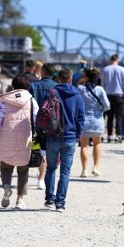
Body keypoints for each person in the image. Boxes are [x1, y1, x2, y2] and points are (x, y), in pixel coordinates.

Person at [0, 75, 38, 210]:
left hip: (6, 138)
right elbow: (36, 120)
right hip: (26, 139)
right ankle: (20, 200)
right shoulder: (31, 101)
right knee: (23, 170)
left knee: (5, 166)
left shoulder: (3, 101)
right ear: (27, 86)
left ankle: (6, 187)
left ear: (13, 86)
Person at [43, 68, 85, 212]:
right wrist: (77, 135)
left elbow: (43, 114)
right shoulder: (77, 95)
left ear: (58, 79)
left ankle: (49, 199)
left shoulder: (51, 92)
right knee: (65, 172)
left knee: (51, 168)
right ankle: (60, 203)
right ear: (71, 79)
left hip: (52, 135)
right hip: (69, 137)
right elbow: (81, 118)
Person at [77, 67, 110, 177]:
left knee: (84, 145)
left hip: (84, 120)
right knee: (97, 143)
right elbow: (107, 105)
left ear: (86, 77)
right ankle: (96, 167)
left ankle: (84, 170)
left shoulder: (80, 89)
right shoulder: (100, 89)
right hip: (97, 120)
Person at [30, 63, 57, 190]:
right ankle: (43, 177)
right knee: (50, 151)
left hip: (37, 123)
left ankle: (41, 177)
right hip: (53, 123)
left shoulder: (33, 86)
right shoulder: (57, 87)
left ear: (43, 72)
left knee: (40, 150)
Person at [101, 54, 124, 143]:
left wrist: (103, 96)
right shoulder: (122, 69)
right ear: (118, 60)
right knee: (119, 117)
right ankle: (118, 136)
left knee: (110, 117)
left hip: (108, 95)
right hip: (119, 96)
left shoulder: (105, 69)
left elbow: (103, 84)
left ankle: (109, 136)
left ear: (110, 60)